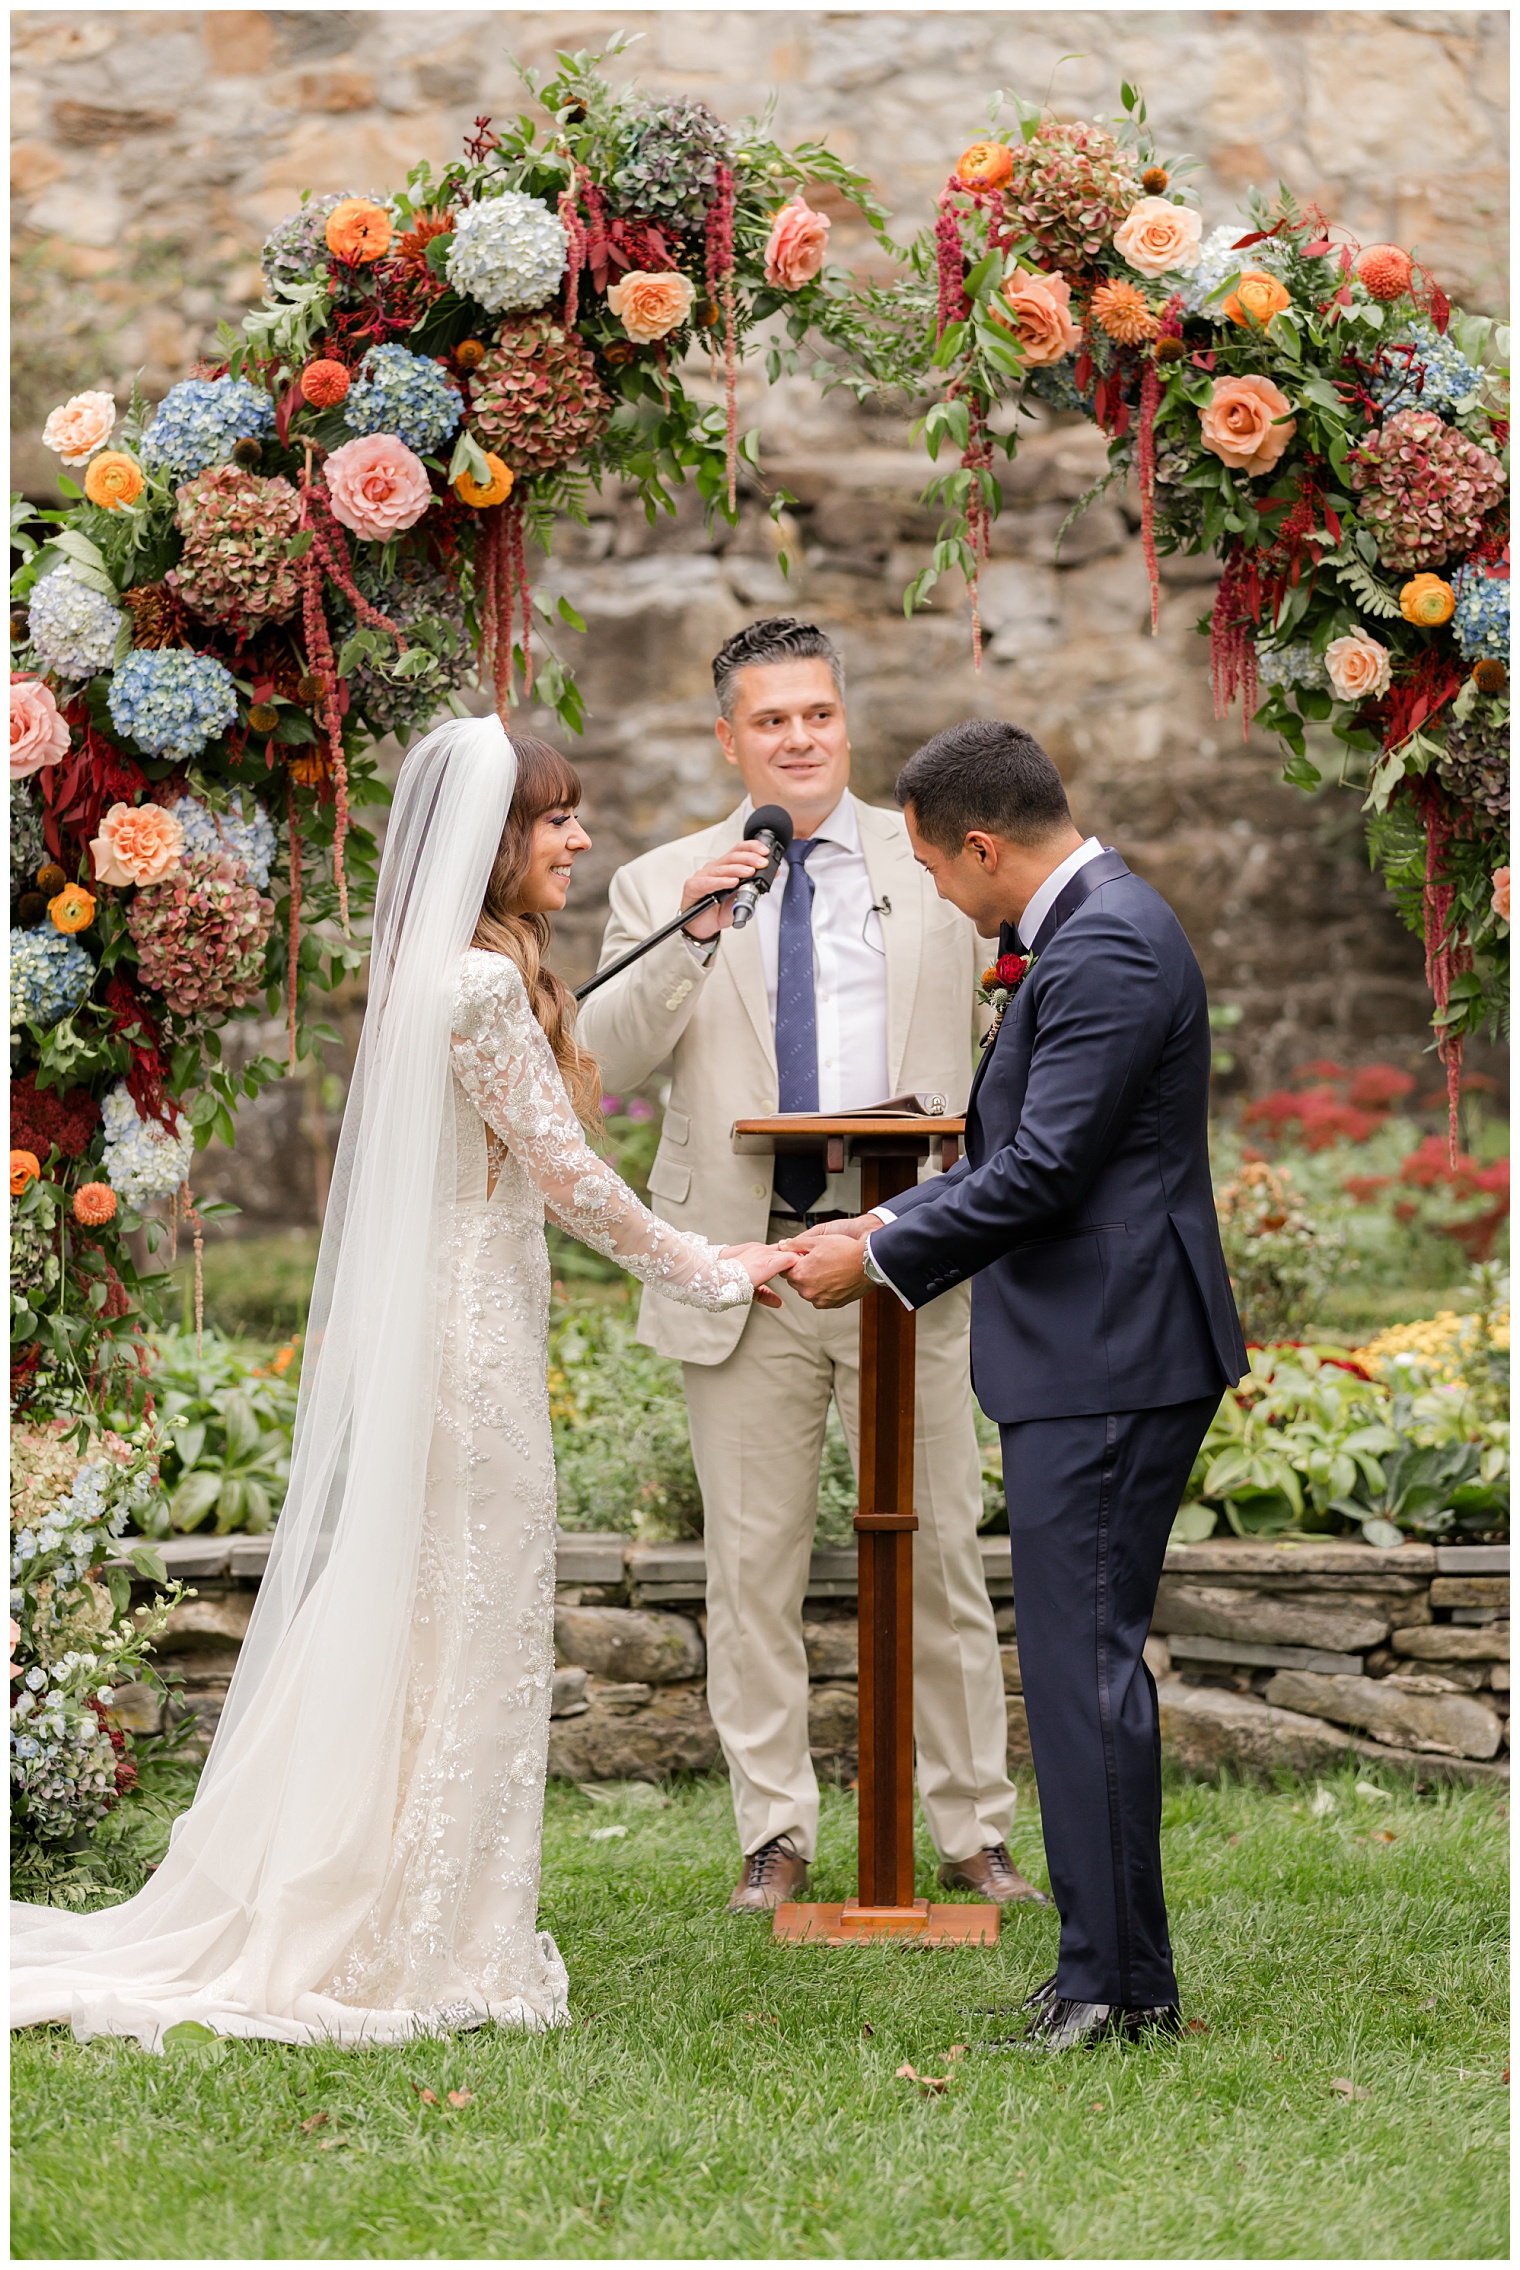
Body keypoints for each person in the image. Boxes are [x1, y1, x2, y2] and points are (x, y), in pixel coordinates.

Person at [10, 716, 795, 2050]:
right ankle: (440, 1936)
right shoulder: (480, 990)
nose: (581, 839)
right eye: (559, 819)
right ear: (493, 842)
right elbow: (569, 1176)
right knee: (476, 1623)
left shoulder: (451, 974)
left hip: (456, 1328)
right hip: (471, 1346)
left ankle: (422, 1902)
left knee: (438, 1623)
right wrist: (712, 1263)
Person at [787, 718, 1247, 2052]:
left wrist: (877, 1253)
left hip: (1112, 1348)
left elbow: (1045, 1169)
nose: (938, 887)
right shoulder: (1102, 921)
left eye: (937, 867)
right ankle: (1117, 1972)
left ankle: (1114, 1990)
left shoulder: (1103, 942)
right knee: (1078, 1662)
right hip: (1102, 1342)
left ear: (983, 846)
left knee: (1081, 1668)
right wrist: (883, 1236)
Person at [575, 618, 1032, 1916]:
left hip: (906, 1253)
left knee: (942, 1555)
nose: (799, 738)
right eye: (770, 720)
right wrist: (697, 931)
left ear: (846, 723)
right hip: (747, 1264)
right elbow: (607, 1048)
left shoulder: (928, 856)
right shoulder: (669, 878)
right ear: (730, 738)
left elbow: (1015, 1001)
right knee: (752, 1568)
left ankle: (972, 1833)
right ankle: (774, 1833)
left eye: (818, 715)